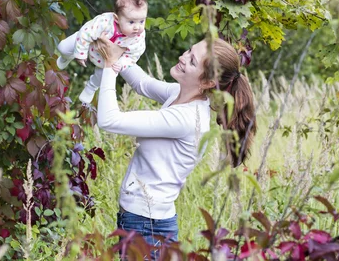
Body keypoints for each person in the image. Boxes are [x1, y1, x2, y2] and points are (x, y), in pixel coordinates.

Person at [94, 35, 257, 259]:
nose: (182, 57)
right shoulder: (180, 95)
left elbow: (108, 121)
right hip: (141, 219)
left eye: (191, 61)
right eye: (189, 51)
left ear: (208, 82)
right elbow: (142, 84)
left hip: (146, 225)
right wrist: (119, 54)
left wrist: (110, 67)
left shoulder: (186, 119)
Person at [56, 0, 147, 104]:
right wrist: (81, 53)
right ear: (116, 19)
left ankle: (91, 87)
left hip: (105, 59)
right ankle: (67, 56)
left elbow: (135, 54)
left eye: (142, 21)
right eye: (131, 22)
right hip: (88, 42)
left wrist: (122, 63)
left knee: (103, 74)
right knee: (63, 47)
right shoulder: (105, 22)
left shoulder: (138, 37)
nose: (137, 27)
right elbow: (86, 32)